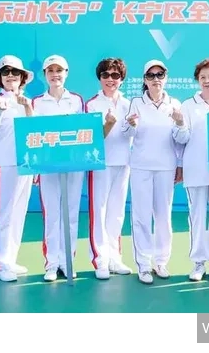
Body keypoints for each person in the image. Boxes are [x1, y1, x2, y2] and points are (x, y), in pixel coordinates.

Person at [122, 59, 184, 284]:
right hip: (141, 166)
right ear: (144, 80)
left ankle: (161, 261)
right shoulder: (136, 103)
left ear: (166, 78)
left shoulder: (174, 104)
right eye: (151, 75)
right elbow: (126, 133)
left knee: (163, 216)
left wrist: (179, 164)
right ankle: (144, 264)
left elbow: (180, 139)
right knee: (141, 216)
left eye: (160, 75)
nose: (156, 79)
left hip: (166, 167)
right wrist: (130, 125)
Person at [174, 58, 209, 282]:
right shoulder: (188, 105)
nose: (207, 81)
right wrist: (180, 123)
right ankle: (198, 262)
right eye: (203, 77)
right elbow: (182, 139)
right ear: (198, 80)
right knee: (197, 215)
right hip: (195, 168)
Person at [31, 55, 85, 282]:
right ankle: (52, 264)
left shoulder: (77, 100)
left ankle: (67, 261)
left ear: (66, 73)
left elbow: (84, 132)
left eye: (59, 70)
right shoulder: (36, 103)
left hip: (74, 166)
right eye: (50, 71)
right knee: (52, 215)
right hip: (48, 167)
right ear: (45, 74)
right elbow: (32, 134)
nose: (55, 75)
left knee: (71, 213)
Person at [0, 55, 35, 282]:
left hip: (25, 164)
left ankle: (10, 259)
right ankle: (0, 264)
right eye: (6, 72)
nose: (11, 76)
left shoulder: (28, 102)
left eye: (15, 72)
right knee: (3, 214)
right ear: (0, 78)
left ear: (22, 77)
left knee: (18, 213)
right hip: (3, 163)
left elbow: (34, 134)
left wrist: (28, 108)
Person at [85, 58, 133, 280]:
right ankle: (100, 259)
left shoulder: (129, 104)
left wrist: (132, 126)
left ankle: (114, 257)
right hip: (100, 163)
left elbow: (132, 135)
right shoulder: (92, 105)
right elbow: (91, 139)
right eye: (105, 75)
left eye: (115, 75)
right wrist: (108, 125)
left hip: (123, 162)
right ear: (99, 78)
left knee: (116, 211)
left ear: (121, 79)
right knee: (99, 211)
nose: (110, 79)